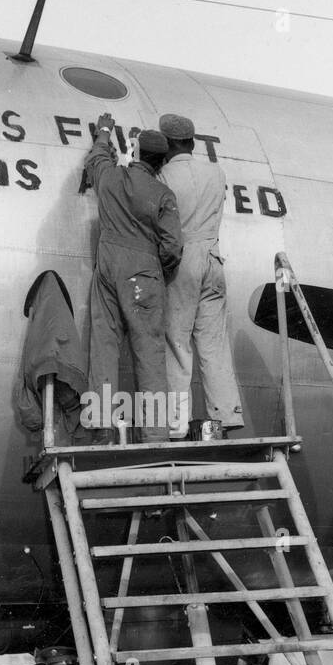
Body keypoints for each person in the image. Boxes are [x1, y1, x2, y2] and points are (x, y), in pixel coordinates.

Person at [85, 115, 183, 443]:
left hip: (107, 266)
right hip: (143, 274)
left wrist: (103, 133)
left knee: (103, 346)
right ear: (163, 161)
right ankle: (155, 434)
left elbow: (97, 159)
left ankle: (100, 427)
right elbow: (172, 246)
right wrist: (159, 272)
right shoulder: (163, 195)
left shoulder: (110, 178)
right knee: (149, 351)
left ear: (138, 152)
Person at [157, 113, 244, 438]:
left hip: (183, 260)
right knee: (213, 342)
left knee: (177, 341)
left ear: (167, 144)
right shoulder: (215, 171)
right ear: (192, 142)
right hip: (213, 258)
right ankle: (226, 414)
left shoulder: (163, 176)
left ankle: (176, 424)